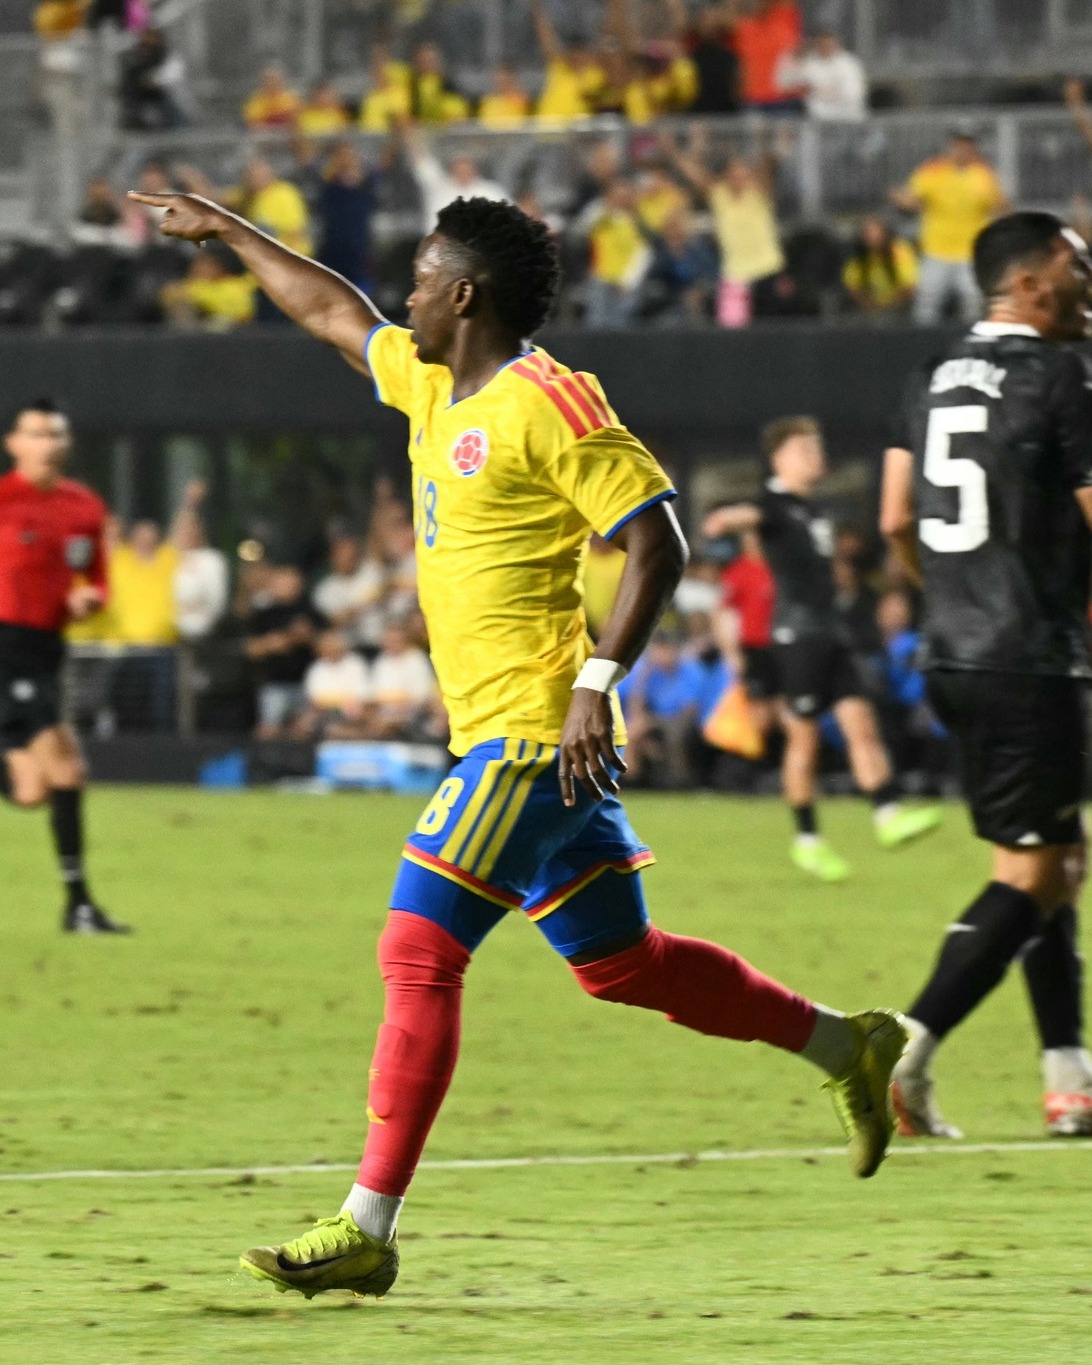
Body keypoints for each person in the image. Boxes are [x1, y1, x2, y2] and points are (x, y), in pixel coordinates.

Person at [130, 178, 908, 1301]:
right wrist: (231, 231)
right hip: (518, 735)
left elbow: (659, 542)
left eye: (423, 279)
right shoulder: (436, 384)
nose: (405, 296)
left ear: (465, 294)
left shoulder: (551, 400)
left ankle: (366, 1225)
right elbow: (335, 312)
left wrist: (598, 678)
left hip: (534, 732)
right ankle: (849, 1046)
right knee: (620, 965)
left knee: (418, 948)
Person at [880, 212, 1092, 1140]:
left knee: (1043, 860)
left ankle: (1068, 1082)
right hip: (1031, 659)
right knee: (1044, 868)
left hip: (954, 652)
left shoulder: (929, 376)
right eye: (1078, 262)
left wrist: (961, 597)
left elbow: (894, 517)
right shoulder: (1063, 375)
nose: (1089, 276)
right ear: (1034, 285)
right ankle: (903, 1049)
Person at [703, 417, 942, 881]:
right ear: (780, 458)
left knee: (862, 723)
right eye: (805, 449)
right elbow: (748, 515)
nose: (817, 456)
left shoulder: (814, 510)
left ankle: (888, 813)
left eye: (817, 447)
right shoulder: (773, 504)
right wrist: (724, 520)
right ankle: (807, 839)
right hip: (797, 638)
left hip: (831, 634)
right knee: (805, 739)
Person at [0, 399, 129, 934]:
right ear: (14, 444)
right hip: (5, 645)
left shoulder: (84, 507)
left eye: (56, 434)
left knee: (34, 791)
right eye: (37, 434)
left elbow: (96, 579)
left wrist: (89, 600)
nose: (48, 443)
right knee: (68, 772)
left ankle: (78, 905)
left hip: (47, 648)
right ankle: (78, 906)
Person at [663, 128, 786, 328]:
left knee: (768, 331)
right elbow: (697, 176)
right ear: (727, 175)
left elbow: (767, 167)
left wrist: (763, 142)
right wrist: (673, 154)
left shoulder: (759, 194)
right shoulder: (719, 196)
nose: (739, 176)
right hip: (735, 273)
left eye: (743, 171)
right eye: (734, 171)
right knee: (731, 332)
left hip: (767, 269)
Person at [890, 131, 1008, 325]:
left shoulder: (983, 175)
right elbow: (913, 200)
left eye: (967, 145)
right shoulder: (933, 170)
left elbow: (1001, 208)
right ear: (951, 146)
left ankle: (968, 349)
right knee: (927, 303)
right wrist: (900, 199)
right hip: (937, 250)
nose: (962, 150)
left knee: (972, 304)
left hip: (970, 252)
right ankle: (924, 346)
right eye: (959, 144)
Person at [775, 28, 866, 122]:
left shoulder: (848, 64)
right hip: (817, 121)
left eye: (829, 42)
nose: (825, 46)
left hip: (847, 119)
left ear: (836, 43)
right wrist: (793, 55)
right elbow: (782, 82)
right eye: (822, 43)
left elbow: (854, 94)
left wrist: (821, 90)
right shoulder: (808, 63)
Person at [843, 216, 918, 315]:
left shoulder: (900, 251)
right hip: (866, 310)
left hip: (899, 309)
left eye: (876, 233)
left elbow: (909, 286)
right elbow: (853, 287)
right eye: (868, 233)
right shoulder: (859, 255)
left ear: (886, 234)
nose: (873, 238)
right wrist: (870, 305)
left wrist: (891, 305)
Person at [242, 63, 302, 129]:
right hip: (264, 136)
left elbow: (297, 120)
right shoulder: (256, 101)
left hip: (288, 135)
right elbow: (253, 123)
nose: (271, 82)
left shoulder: (292, 98)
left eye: (275, 79)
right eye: (268, 79)